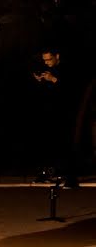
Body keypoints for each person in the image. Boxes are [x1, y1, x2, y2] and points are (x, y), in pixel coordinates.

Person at [33, 47, 80, 187]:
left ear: (57, 56)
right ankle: (47, 173)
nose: (47, 63)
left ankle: (71, 178)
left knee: (67, 145)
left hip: (65, 114)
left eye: (49, 59)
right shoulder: (48, 69)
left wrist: (53, 79)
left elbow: (70, 90)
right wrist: (40, 80)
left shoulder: (67, 69)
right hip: (50, 113)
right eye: (44, 60)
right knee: (49, 144)